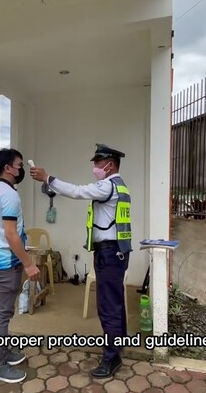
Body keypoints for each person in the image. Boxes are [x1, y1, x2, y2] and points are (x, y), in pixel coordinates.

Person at [29, 143, 132, 378]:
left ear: (110, 164)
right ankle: (117, 347)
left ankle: (112, 357)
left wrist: (47, 178)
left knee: (107, 305)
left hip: (109, 252)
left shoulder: (107, 186)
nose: (95, 167)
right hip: (118, 251)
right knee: (114, 302)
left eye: (97, 163)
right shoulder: (121, 186)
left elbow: (77, 191)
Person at [0, 148, 41, 384]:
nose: (21, 170)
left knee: (2, 313)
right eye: (19, 165)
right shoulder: (9, 195)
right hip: (5, 262)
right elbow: (10, 234)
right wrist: (28, 264)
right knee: (2, 315)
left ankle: (3, 353)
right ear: (8, 168)